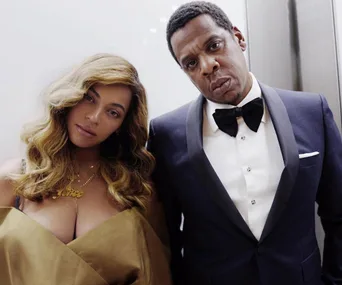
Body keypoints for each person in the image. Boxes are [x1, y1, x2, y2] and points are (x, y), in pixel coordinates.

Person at [147, 1, 342, 284]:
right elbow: (165, 237)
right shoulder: (165, 135)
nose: (208, 65)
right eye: (191, 63)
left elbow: (338, 214)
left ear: (238, 37)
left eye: (214, 45)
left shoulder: (312, 112)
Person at [0, 53, 172, 285]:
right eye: (89, 98)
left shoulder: (136, 189)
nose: (93, 117)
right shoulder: (14, 178)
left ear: (122, 125)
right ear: (70, 96)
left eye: (113, 112)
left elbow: (157, 275)